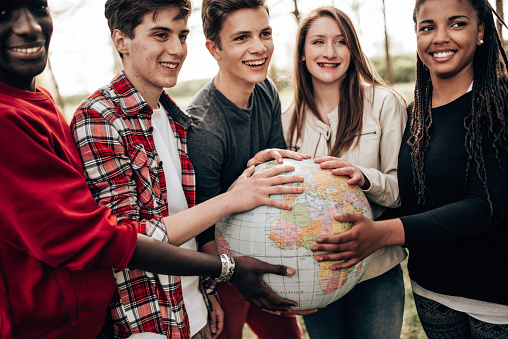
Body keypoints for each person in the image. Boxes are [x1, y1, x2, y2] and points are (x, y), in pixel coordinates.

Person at [0, 0, 305, 338]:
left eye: (182, 35)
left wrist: (205, 293)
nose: (176, 49)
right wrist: (233, 206)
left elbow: (184, 217)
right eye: (161, 34)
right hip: (151, 322)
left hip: (194, 309)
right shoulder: (100, 118)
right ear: (121, 41)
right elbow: (128, 238)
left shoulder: (177, 120)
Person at [312, 0, 508, 338]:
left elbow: (485, 206)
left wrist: (381, 235)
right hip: (431, 294)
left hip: (494, 304)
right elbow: (416, 197)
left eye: (457, 24)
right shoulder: (415, 113)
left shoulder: (499, 104)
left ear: (481, 32)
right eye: (427, 27)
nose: (440, 37)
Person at [278, 6, 407, 339]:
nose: (330, 52)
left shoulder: (384, 103)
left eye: (341, 42)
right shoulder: (286, 120)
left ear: (353, 50)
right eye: (318, 42)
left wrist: (363, 176)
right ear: (303, 54)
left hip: (375, 271)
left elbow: (401, 191)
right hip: (315, 274)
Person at [185, 0, 311, 338]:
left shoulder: (267, 90)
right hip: (223, 265)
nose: (259, 48)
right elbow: (203, 231)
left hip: (263, 244)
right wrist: (236, 274)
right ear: (214, 48)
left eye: (265, 33)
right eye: (241, 37)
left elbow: (277, 171)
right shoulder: (204, 129)